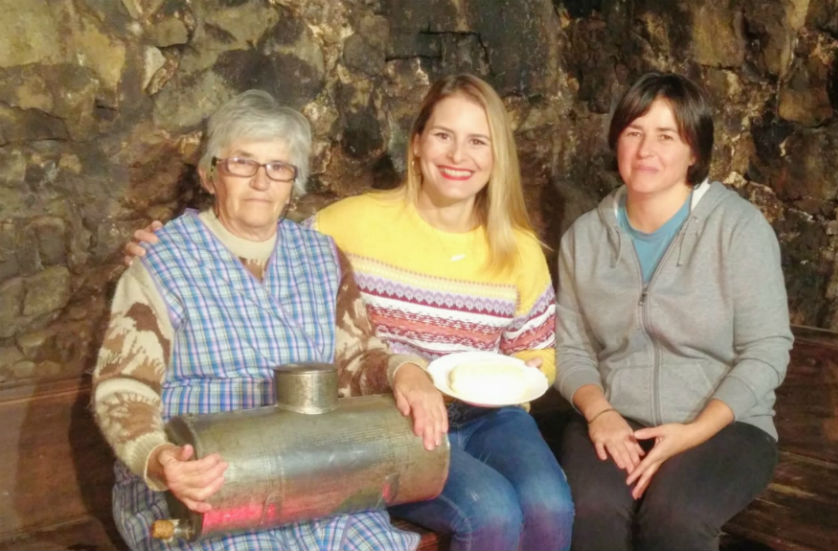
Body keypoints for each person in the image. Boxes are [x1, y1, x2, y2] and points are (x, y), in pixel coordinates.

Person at [124, 74, 574, 551]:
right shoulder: (348, 223)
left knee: (552, 506)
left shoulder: (519, 249)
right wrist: (165, 248)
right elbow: (263, 246)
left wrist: (529, 372)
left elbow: (538, 353)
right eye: (443, 135)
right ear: (417, 143)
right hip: (392, 418)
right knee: (492, 511)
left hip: (492, 419)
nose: (458, 155)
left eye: (478, 141)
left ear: (497, 155)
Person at [94, 89, 432, 551]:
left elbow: (357, 357)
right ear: (210, 175)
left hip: (312, 473)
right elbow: (124, 386)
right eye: (242, 163)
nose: (260, 181)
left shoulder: (321, 256)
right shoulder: (163, 259)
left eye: (278, 168)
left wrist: (403, 370)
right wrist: (158, 457)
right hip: (200, 483)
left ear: (293, 184)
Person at [554, 71, 793, 550]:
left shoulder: (738, 229)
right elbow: (570, 348)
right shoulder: (584, 237)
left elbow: (767, 349)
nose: (646, 150)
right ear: (616, 141)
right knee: (588, 509)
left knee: (675, 516)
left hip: (724, 426)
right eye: (634, 132)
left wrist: (696, 431)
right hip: (617, 418)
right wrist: (600, 412)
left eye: (666, 136)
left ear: (694, 152)